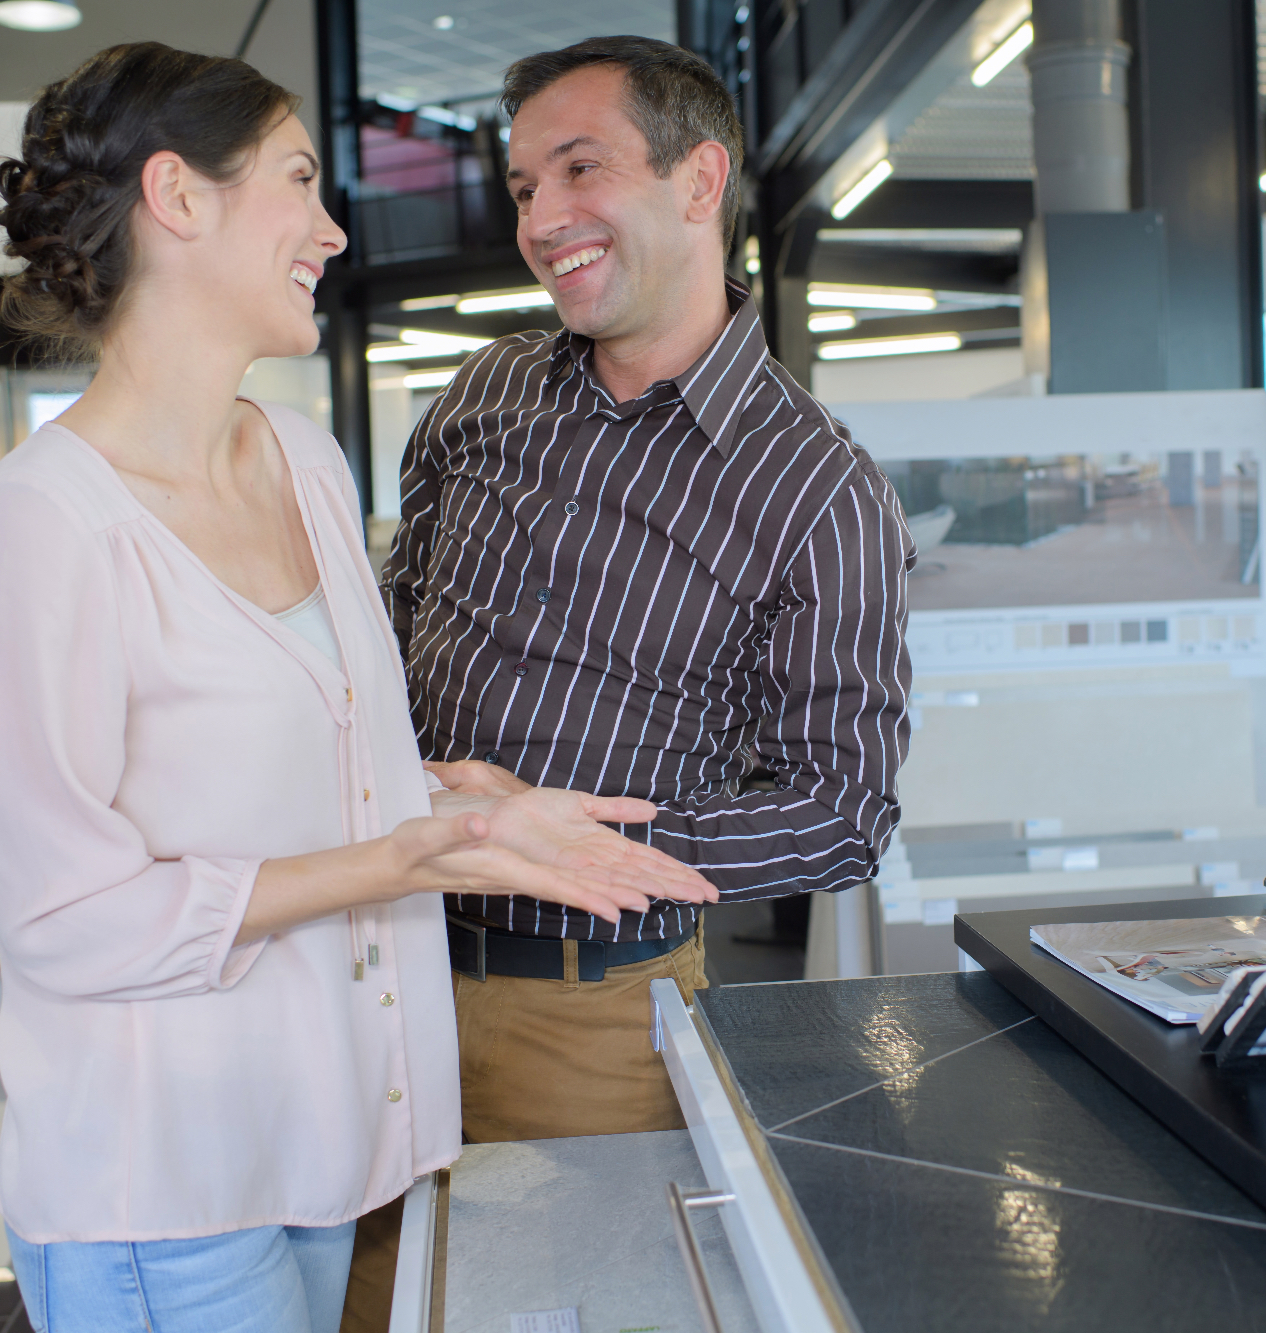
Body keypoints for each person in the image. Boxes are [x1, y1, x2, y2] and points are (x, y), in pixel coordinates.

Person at [0, 43, 714, 1333]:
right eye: (299, 181)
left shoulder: (302, 459)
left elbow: (308, 777)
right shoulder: (46, 523)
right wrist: (409, 860)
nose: (332, 227)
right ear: (179, 199)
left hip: (330, 1149)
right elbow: (66, 920)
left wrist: (463, 811)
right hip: (163, 1191)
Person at [347, 32, 914, 1326]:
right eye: (522, 186)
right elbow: (377, 647)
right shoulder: (480, 398)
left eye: (578, 169)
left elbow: (842, 807)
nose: (542, 220)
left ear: (699, 179)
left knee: (599, 1306)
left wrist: (575, 842)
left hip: (596, 1020)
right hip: (375, 975)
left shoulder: (820, 490)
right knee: (371, 1308)